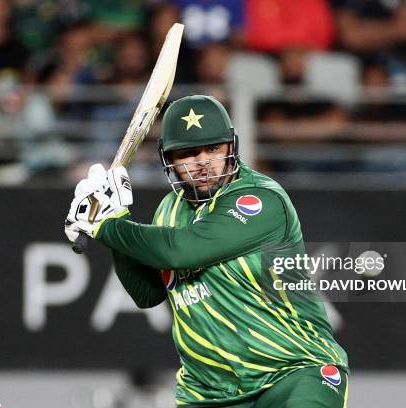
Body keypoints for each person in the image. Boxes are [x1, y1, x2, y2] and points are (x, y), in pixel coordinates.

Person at [65, 95, 349, 407]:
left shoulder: (261, 200)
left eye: (212, 148)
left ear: (231, 147)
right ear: (168, 158)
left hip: (293, 372)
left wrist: (106, 226)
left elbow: (181, 252)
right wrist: (114, 220)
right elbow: (146, 294)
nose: (202, 162)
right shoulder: (168, 211)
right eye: (188, 153)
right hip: (208, 393)